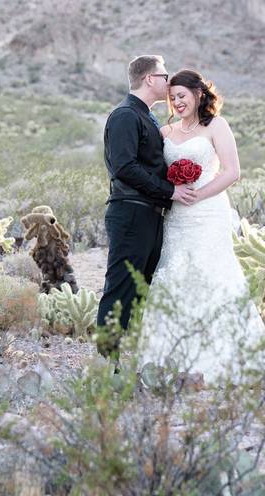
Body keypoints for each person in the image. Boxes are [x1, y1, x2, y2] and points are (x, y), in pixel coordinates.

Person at [136, 68, 265, 390]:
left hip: (207, 213)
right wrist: (172, 189)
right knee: (175, 276)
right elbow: (159, 174)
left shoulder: (216, 126)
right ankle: (171, 361)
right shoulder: (166, 133)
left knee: (213, 278)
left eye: (182, 96)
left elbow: (232, 172)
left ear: (198, 94)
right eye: (172, 97)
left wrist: (199, 194)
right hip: (178, 216)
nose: (177, 102)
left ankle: (219, 359)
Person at [97, 55, 199, 359]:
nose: (168, 83)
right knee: (121, 287)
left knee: (141, 288)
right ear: (150, 79)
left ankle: (128, 356)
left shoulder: (147, 117)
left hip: (150, 214)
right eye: (164, 76)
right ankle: (107, 361)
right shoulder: (125, 116)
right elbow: (124, 166)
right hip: (131, 212)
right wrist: (170, 190)